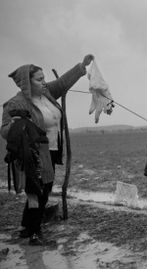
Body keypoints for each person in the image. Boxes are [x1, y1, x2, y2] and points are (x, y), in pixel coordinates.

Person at [1, 54, 94, 245]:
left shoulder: (47, 93)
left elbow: (62, 82)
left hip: (51, 150)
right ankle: (35, 232)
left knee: (45, 188)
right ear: (27, 83)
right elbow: (4, 130)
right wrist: (16, 124)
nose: (44, 82)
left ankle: (26, 226)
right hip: (32, 153)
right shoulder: (15, 103)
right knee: (36, 191)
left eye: (44, 78)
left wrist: (81, 66)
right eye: (39, 79)